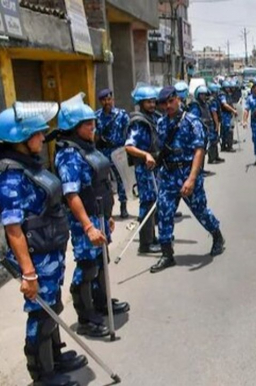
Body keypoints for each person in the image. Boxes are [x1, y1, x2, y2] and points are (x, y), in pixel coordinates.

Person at [0, 103, 88, 386]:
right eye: (37, 134)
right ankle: (43, 374)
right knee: (40, 314)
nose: (42, 138)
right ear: (21, 139)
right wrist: (28, 273)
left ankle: (55, 356)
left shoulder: (28, 166)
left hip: (50, 253)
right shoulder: (11, 176)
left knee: (52, 308)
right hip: (36, 259)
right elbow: (13, 229)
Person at [55, 94, 129, 337]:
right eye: (88, 124)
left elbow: (99, 185)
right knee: (87, 267)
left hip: (99, 217)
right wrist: (88, 226)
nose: (93, 127)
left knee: (100, 263)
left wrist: (106, 217)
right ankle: (86, 318)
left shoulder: (87, 148)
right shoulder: (68, 155)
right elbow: (71, 194)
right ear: (75, 128)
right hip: (84, 223)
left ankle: (101, 304)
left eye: (92, 123)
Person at [150, 86, 225, 273]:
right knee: (164, 213)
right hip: (168, 176)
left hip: (188, 173)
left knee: (200, 211)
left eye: (170, 101)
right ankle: (167, 254)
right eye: (164, 104)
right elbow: (160, 147)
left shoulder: (192, 122)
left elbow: (199, 150)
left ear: (177, 99)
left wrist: (191, 179)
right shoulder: (160, 123)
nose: (168, 106)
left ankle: (217, 236)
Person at [125, 85, 163, 254]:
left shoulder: (152, 118)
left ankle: (152, 238)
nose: (152, 104)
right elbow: (129, 147)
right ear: (140, 103)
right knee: (147, 204)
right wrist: (146, 155)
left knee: (154, 203)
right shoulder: (138, 122)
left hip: (154, 168)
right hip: (145, 169)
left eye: (153, 101)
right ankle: (145, 244)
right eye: (148, 102)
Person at [94, 89, 130, 219]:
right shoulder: (96, 116)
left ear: (112, 99)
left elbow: (128, 131)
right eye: (104, 100)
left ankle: (123, 206)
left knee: (121, 179)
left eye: (109, 99)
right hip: (103, 152)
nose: (107, 102)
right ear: (100, 101)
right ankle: (105, 207)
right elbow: (94, 134)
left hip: (118, 150)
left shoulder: (121, 115)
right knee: (102, 180)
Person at [189, 86, 224, 164]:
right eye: (201, 94)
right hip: (201, 129)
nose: (203, 96)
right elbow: (195, 119)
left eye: (204, 95)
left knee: (204, 149)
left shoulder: (205, 104)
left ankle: (202, 168)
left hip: (207, 128)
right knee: (200, 149)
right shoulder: (195, 105)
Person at [219, 81, 238, 153]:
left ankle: (224, 146)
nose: (229, 89)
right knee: (228, 131)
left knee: (225, 131)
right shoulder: (222, 95)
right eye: (227, 88)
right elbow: (225, 104)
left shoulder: (227, 95)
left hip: (227, 115)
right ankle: (228, 146)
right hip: (224, 115)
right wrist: (233, 110)